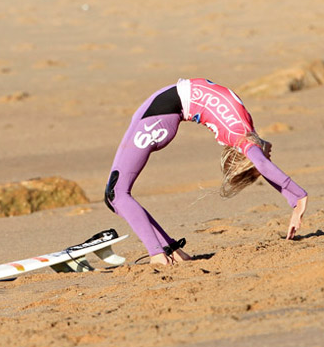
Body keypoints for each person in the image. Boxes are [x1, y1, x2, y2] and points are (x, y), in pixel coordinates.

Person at [104, 78, 308, 266]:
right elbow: (263, 165)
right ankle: (173, 252)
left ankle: (158, 256)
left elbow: (263, 165)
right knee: (115, 195)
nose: (268, 155)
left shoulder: (238, 136)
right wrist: (296, 198)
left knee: (116, 194)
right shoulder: (244, 128)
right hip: (164, 106)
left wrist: (297, 199)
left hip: (161, 111)